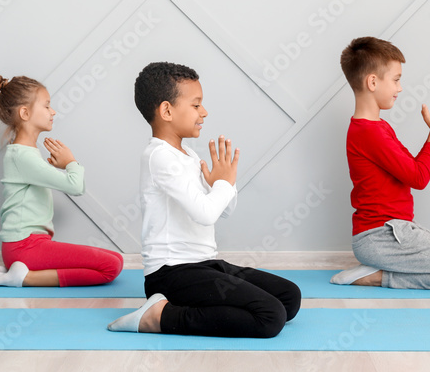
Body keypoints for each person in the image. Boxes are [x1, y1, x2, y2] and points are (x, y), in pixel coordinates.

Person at [107, 62, 301, 337]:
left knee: (289, 297)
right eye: (196, 105)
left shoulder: (188, 154)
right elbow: (206, 214)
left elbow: (223, 211)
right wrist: (221, 184)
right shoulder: (158, 157)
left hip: (206, 264)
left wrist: (224, 184)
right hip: (172, 274)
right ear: (167, 111)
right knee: (271, 317)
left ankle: (172, 311)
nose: (204, 112)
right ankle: (159, 317)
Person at [331, 38, 430, 290]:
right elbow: (419, 178)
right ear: (372, 82)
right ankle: (376, 277)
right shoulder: (370, 133)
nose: (399, 88)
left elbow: (411, 171)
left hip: (396, 230)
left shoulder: (375, 128)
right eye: (396, 79)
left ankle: (378, 269)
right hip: (381, 237)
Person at [0, 75, 123, 288]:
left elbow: (78, 186)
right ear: (25, 113)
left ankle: (16, 269)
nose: (53, 111)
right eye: (47, 106)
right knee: (111, 267)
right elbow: (75, 186)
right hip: (25, 247)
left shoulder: (26, 153)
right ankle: (23, 277)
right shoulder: (24, 156)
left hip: (28, 245)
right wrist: (71, 162)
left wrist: (67, 167)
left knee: (118, 259)